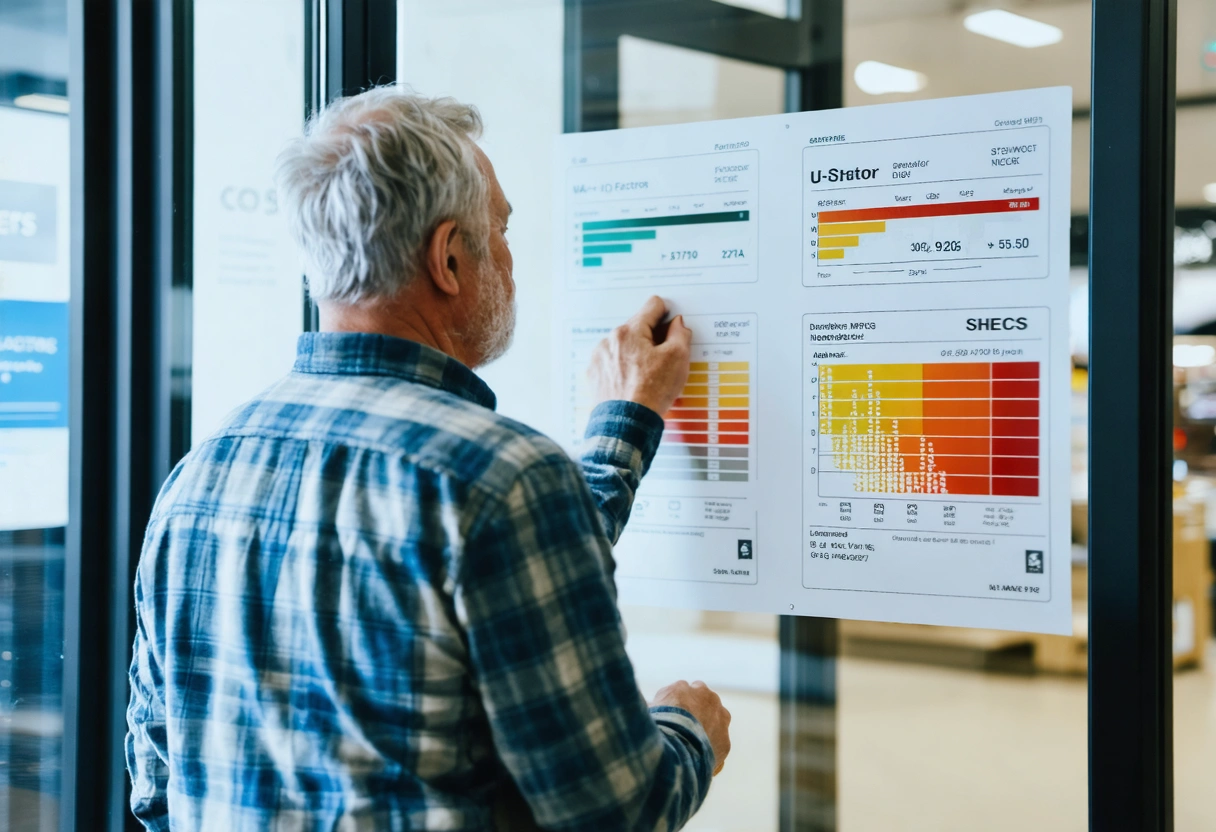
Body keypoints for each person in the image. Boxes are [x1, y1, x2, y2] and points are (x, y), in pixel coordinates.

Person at [125, 86, 731, 831]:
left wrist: (625, 420)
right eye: (501, 229)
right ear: (448, 257)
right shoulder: (505, 482)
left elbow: (156, 784)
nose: (510, 256)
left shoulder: (199, 476)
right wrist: (687, 728)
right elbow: (621, 810)